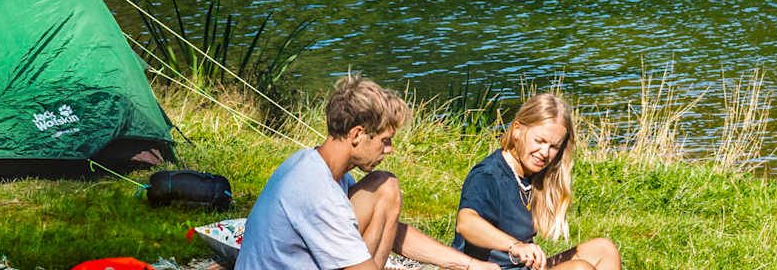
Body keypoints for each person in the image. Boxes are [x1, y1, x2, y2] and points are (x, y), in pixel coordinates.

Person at [236, 74, 502, 270]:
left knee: (384, 187)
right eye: (385, 141)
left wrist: (468, 265)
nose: (389, 150)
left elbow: (392, 231)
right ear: (357, 135)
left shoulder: (318, 166)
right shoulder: (317, 192)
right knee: (385, 186)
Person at [451, 93, 621, 270]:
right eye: (539, 141)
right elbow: (466, 223)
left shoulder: (533, 175)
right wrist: (515, 246)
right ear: (517, 130)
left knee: (605, 250)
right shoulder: (488, 175)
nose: (545, 152)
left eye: (554, 146)